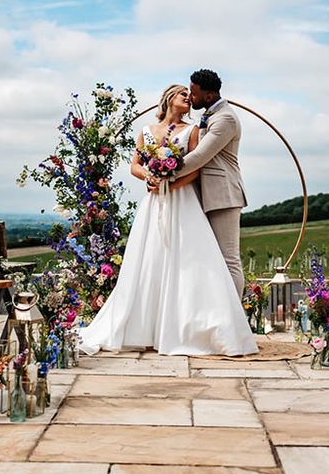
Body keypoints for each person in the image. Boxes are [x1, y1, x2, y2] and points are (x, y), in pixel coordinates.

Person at [79, 83, 257, 356]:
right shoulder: (146, 131)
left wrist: (170, 183)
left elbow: (196, 167)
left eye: (190, 94)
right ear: (168, 99)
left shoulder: (193, 130)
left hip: (183, 200)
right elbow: (135, 165)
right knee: (150, 259)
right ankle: (147, 326)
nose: (188, 97)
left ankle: (187, 327)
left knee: (188, 260)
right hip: (154, 203)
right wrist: (149, 177)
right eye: (182, 94)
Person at [178, 69, 247, 299]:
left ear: (209, 96)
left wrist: (165, 174)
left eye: (194, 93)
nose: (190, 97)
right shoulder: (210, 115)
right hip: (206, 195)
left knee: (229, 259)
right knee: (210, 258)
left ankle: (236, 318)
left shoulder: (225, 118)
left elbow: (199, 157)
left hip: (224, 195)